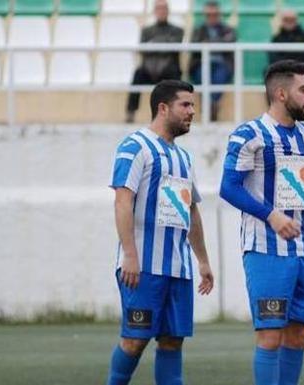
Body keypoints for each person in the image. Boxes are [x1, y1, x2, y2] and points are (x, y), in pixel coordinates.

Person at [219, 60, 304, 385]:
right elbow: (228, 187)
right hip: (266, 250)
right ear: (280, 93)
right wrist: (271, 215)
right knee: (270, 336)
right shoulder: (250, 134)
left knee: (297, 336)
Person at [106, 79, 214, 385]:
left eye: (193, 105)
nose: (192, 111)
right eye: (185, 105)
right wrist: (129, 254)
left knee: (172, 340)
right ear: (163, 108)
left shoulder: (184, 158)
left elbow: (190, 210)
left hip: (178, 268)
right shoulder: (135, 146)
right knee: (135, 340)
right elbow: (122, 201)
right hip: (143, 266)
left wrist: (203, 261)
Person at [126, 0, 184, 123]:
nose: (161, 11)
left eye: (164, 8)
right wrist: (163, 43)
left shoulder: (178, 30)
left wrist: (154, 44)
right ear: (154, 11)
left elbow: (174, 47)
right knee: (138, 74)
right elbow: (143, 49)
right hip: (149, 70)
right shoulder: (146, 31)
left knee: (175, 76)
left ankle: (177, 114)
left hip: (168, 70)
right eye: (159, 8)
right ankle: (130, 112)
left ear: (168, 11)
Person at [269, 9, 304, 122]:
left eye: (292, 19)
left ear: (296, 20)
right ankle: (274, 114)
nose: (289, 22)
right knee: (270, 80)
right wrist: (285, 69)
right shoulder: (277, 38)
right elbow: (273, 58)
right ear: (282, 21)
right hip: (284, 72)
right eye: (286, 20)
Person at [188, 1, 236, 121]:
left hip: (222, 64)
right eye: (209, 15)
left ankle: (209, 107)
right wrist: (219, 41)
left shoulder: (228, 29)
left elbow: (230, 41)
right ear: (205, 15)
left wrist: (208, 43)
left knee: (219, 77)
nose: (212, 17)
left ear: (219, 14)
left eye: (214, 15)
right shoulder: (198, 30)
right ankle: (212, 107)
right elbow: (194, 46)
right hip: (201, 64)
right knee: (202, 75)